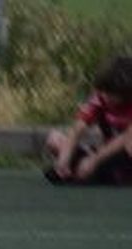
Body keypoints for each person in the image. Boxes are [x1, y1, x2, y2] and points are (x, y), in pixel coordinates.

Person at [44, 55, 132, 186]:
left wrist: (94, 160)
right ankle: (74, 171)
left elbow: (126, 137)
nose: (105, 97)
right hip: (107, 157)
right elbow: (77, 129)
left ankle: (105, 175)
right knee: (54, 139)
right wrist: (64, 157)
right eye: (103, 91)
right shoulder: (100, 97)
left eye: (111, 94)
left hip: (124, 156)